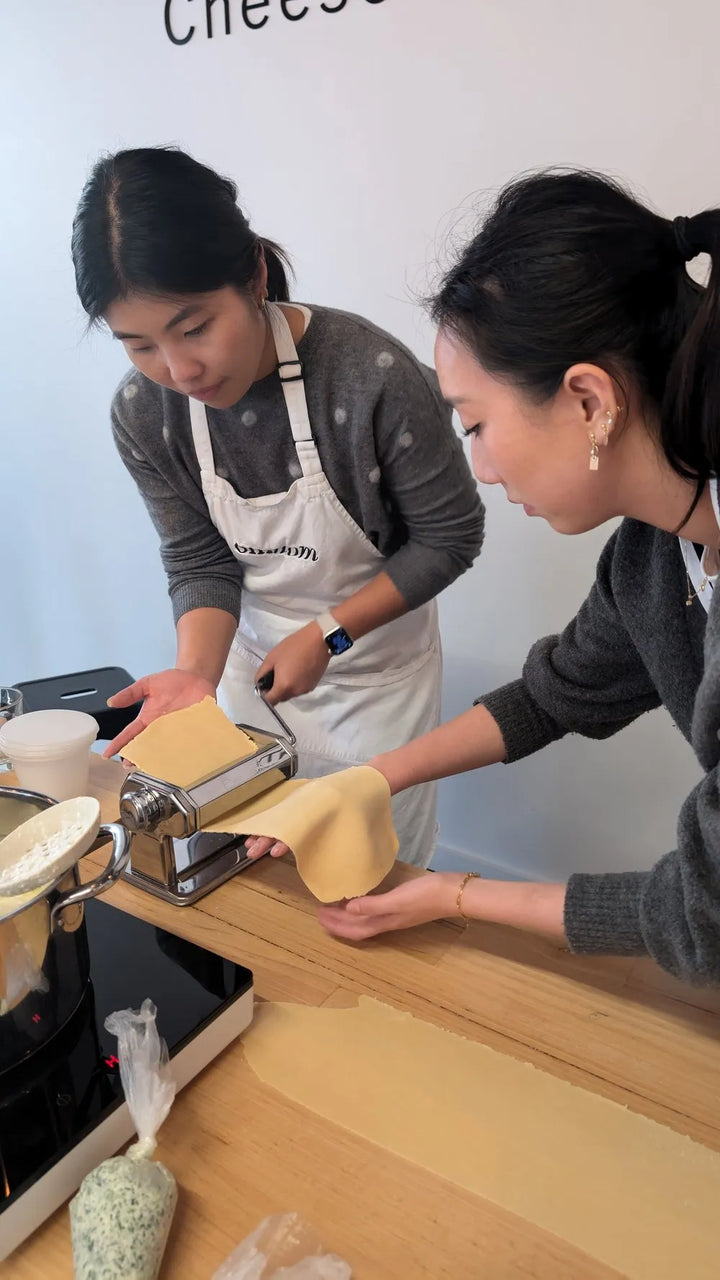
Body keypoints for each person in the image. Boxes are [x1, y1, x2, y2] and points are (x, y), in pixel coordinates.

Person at [248, 169, 720, 985]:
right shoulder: (652, 555)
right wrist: (368, 780)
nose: (483, 468)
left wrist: (453, 896)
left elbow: (701, 917)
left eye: (476, 424)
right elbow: (554, 694)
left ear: (588, 401)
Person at [71, 146, 485, 868]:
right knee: (243, 872)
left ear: (255, 275)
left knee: (362, 878)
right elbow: (199, 557)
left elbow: (450, 538)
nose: (179, 370)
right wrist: (196, 672)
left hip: (374, 687)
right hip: (247, 673)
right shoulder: (146, 412)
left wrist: (328, 633)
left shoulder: (368, 377)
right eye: (139, 345)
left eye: (195, 327)